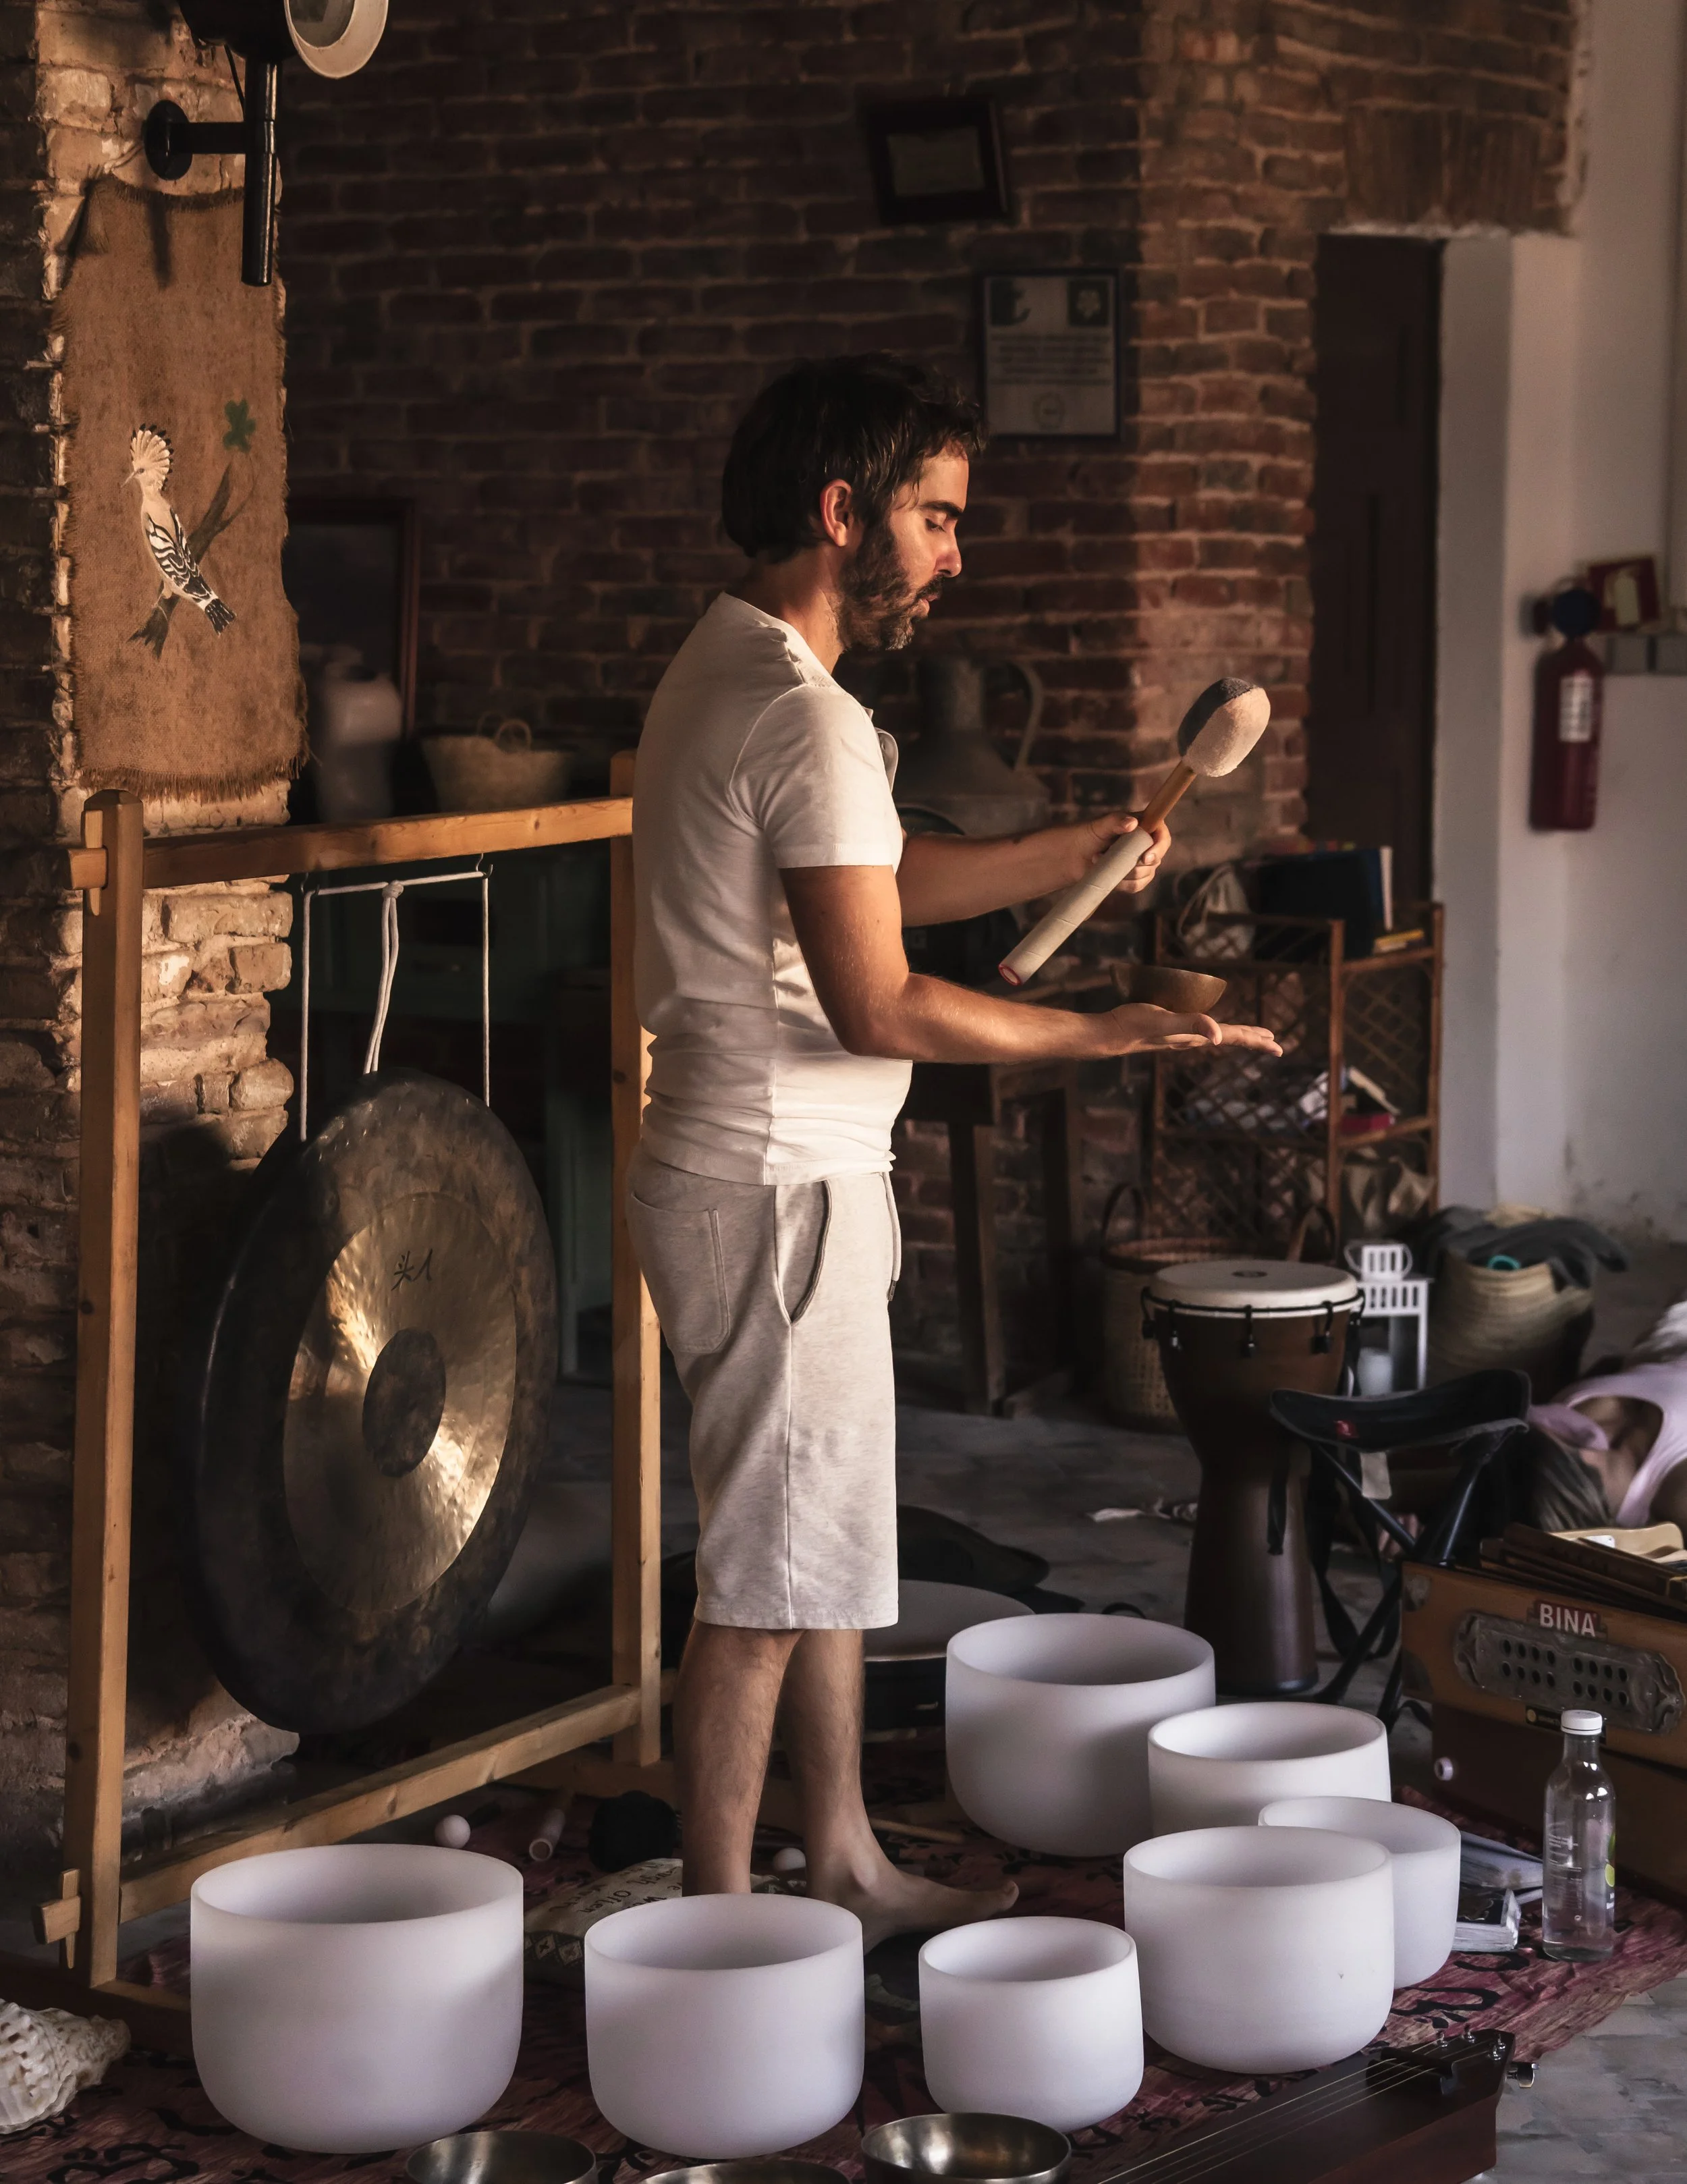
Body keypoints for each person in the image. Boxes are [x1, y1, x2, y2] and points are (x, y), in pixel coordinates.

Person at [628, 352, 1283, 1946]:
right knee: (763, 1578)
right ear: (843, 510)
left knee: (824, 1540)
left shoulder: (728, 670)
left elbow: (868, 878)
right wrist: (1103, 1029)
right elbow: (872, 999)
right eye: (933, 516)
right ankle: (721, 1929)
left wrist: (1075, 845)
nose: (951, 553)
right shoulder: (803, 715)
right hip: (774, 1181)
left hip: (764, 1173)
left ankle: (840, 1854)